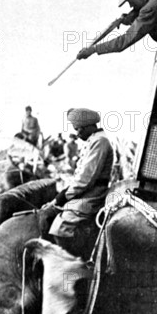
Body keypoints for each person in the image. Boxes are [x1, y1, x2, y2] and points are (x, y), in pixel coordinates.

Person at [47, 108, 113, 259]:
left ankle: (81, 264)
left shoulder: (100, 141)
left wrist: (63, 196)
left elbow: (85, 179)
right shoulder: (93, 140)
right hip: (86, 191)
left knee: (61, 230)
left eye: (79, 129)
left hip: (93, 193)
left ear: (90, 126)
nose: (77, 133)